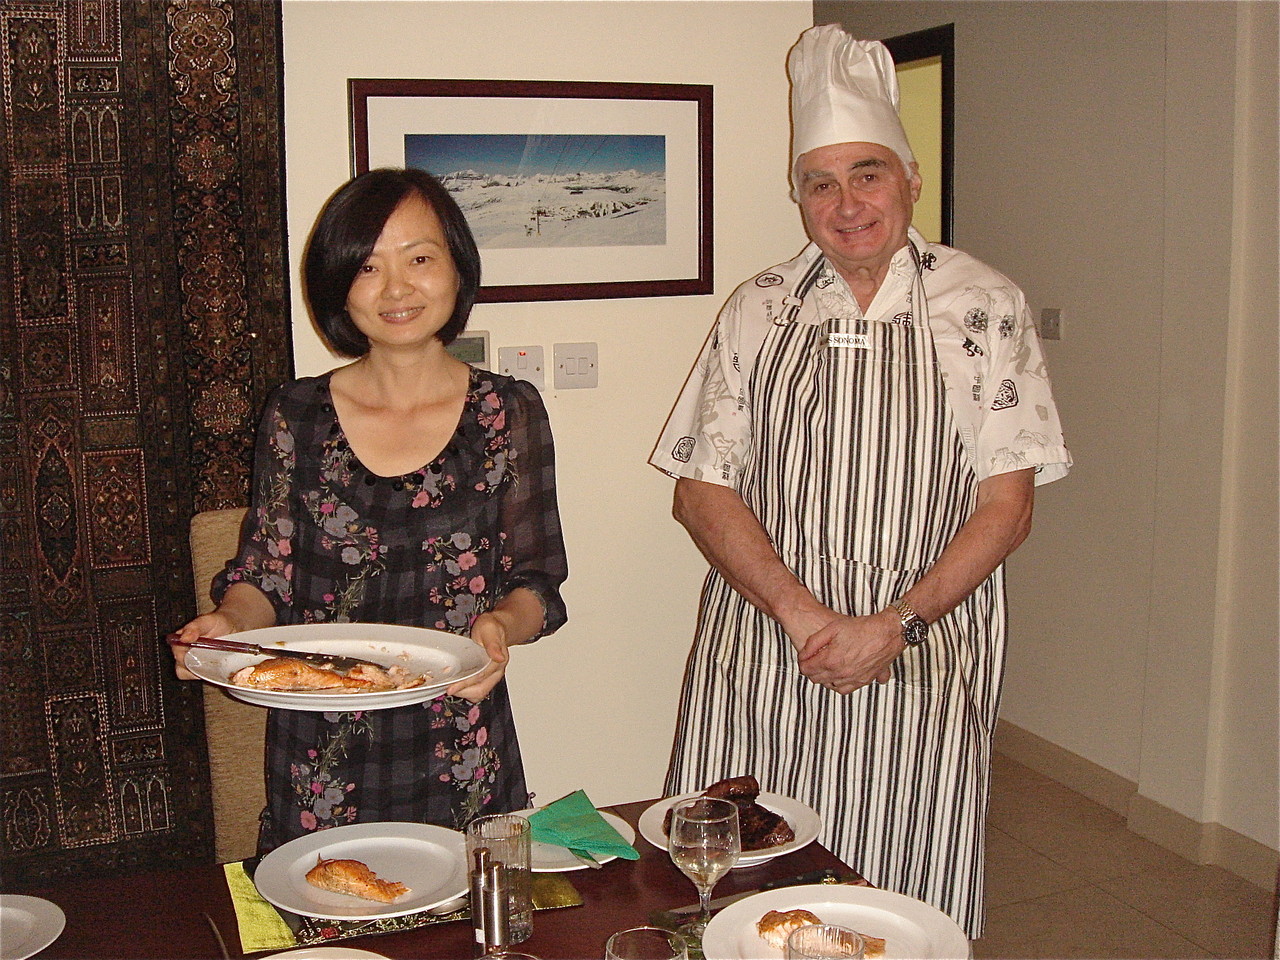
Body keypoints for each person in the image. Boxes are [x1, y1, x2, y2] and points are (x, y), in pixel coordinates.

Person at [650, 24, 1070, 938]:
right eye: (820, 182)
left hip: (920, 660)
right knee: (743, 890)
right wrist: (804, 615)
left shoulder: (985, 307)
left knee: (903, 895)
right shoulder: (759, 308)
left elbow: (1007, 507)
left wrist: (896, 624)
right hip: (764, 654)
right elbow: (701, 490)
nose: (847, 204)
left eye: (868, 173)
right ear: (798, 195)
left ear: (911, 176)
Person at [171, 167, 568, 853]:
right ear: (338, 288)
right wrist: (227, 624)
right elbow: (266, 576)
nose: (396, 289)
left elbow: (536, 583)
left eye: (419, 259)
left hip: (462, 742)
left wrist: (501, 625)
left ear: (456, 267)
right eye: (366, 268)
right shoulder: (295, 413)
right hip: (320, 758)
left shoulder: (509, 411)